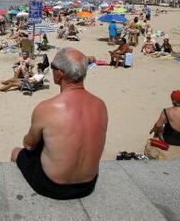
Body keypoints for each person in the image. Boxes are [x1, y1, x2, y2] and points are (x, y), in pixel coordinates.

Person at [11, 48, 108, 200]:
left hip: (53, 186)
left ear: (60, 73)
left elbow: (29, 146)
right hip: (88, 185)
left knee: (17, 152)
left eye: (53, 67)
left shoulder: (47, 108)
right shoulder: (100, 105)